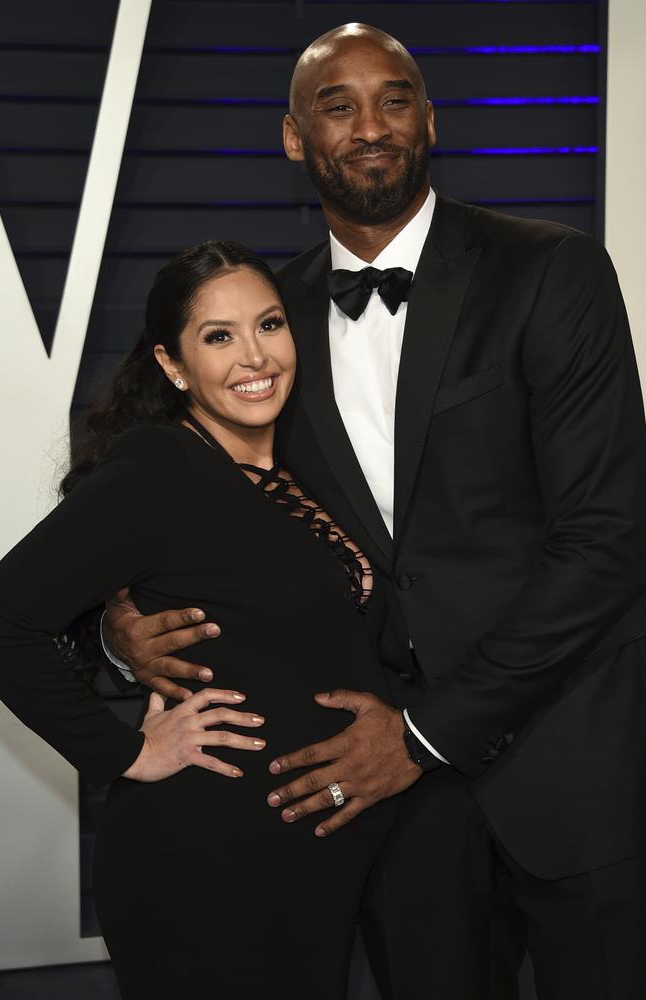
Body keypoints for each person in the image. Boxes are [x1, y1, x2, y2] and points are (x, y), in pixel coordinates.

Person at [105, 23, 646, 1000]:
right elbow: (205, 507)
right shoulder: (268, 323)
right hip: (388, 801)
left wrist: (425, 731)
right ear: (290, 136)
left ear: (428, 120)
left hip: (567, 767)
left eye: (393, 98)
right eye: (336, 103)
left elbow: (607, 538)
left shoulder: (550, 271)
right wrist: (126, 619)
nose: (368, 126)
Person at [0, 240, 400, 1000]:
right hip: (206, 867)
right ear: (173, 365)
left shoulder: (300, 468)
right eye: (219, 336)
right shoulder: (158, 467)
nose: (255, 356)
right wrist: (122, 753)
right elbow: (5, 618)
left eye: (269, 325)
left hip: (309, 870)